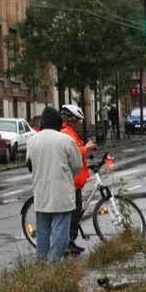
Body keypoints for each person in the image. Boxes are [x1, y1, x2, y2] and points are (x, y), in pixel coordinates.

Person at [26, 107, 83, 264]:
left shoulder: (32, 141)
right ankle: (53, 264)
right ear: (59, 122)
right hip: (62, 193)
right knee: (60, 232)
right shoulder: (66, 140)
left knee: (43, 231)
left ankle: (43, 261)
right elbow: (77, 165)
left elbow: (29, 163)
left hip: (41, 192)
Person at [60, 104, 97, 255]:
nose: (80, 124)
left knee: (75, 213)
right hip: (73, 181)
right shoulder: (67, 133)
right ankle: (68, 243)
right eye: (78, 121)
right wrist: (87, 147)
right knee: (72, 214)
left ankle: (71, 242)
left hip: (77, 181)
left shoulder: (71, 132)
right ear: (72, 120)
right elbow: (74, 152)